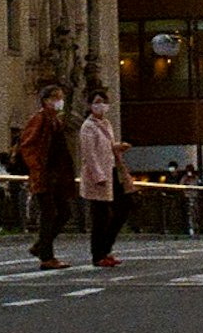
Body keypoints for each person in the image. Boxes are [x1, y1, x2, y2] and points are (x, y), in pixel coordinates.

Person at [17, 84, 76, 269]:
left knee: (63, 212)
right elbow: (27, 145)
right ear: (46, 100)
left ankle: (41, 246)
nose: (59, 101)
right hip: (44, 175)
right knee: (49, 214)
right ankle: (46, 255)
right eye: (55, 97)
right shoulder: (40, 119)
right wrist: (37, 167)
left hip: (56, 176)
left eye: (60, 97)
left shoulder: (55, 121)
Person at [75, 89, 128, 269]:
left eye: (103, 101)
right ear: (90, 105)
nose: (101, 105)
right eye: (97, 101)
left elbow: (106, 146)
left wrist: (117, 147)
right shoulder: (88, 127)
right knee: (100, 216)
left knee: (121, 210)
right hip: (97, 176)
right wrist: (98, 176)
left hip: (110, 170)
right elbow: (89, 154)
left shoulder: (106, 124)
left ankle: (105, 248)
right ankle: (98, 254)